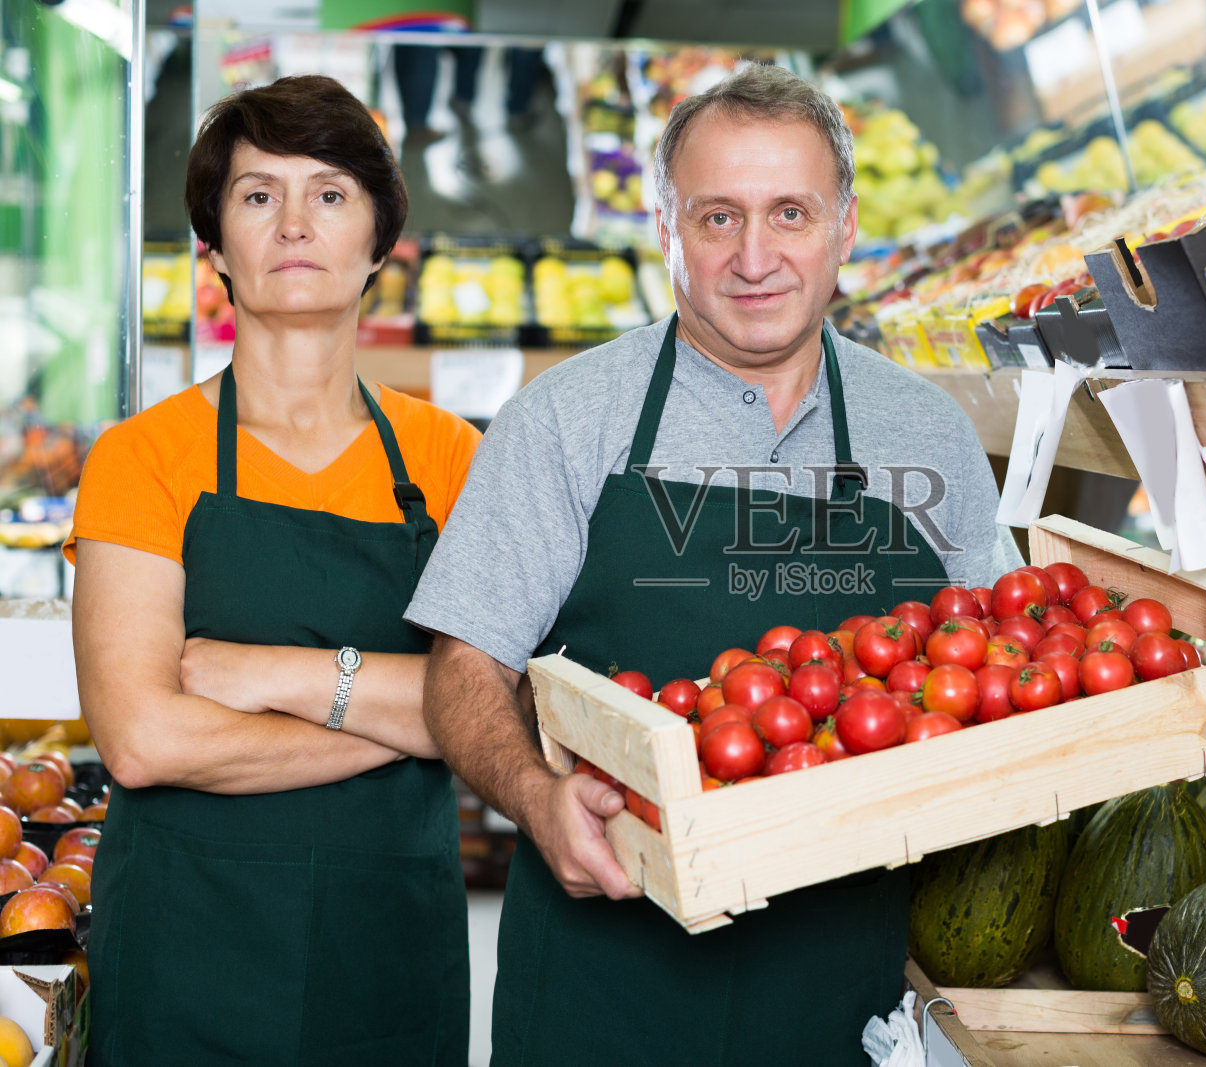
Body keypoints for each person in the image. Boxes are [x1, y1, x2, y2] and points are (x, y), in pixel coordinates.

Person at [407, 63, 1021, 1065]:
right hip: (606, 981)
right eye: (716, 217)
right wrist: (534, 797)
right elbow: (464, 668)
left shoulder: (930, 432)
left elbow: (1001, 669)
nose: (755, 256)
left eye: (790, 212)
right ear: (665, 229)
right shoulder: (566, 421)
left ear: (846, 227)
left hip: (839, 988)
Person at [68, 75, 479, 1065]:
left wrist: (276, 676)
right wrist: (417, 716)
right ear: (213, 245)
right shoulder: (141, 455)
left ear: (381, 239)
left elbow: (510, 712)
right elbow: (140, 740)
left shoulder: (455, 461)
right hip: (185, 955)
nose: (294, 222)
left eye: (330, 193)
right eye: (257, 195)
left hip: (387, 949)